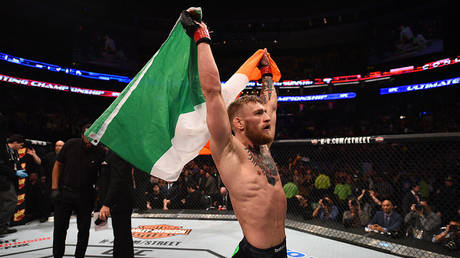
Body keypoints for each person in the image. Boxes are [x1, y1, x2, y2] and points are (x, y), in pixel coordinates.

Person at [180, 8, 287, 257]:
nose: (267, 117)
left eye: (265, 113)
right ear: (238, 123)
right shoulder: (227, 149)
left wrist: (267, 72)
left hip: (279, 249)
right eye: (258, 114)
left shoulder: (263, 147)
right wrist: (201, 36)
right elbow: (212, 92)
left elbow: (271, 103)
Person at [51, 124, 105, 258]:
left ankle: (79, 256)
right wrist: (54, 188)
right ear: (82, 135)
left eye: (94, 135)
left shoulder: (100, 151)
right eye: (88, 134)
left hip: (86, 194)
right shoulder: (70, 144)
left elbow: (102, 175)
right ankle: (57, 255)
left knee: (84, 229)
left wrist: (100, 198)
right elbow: (58, 165)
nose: (91, 138)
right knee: (60, 228)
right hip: (65, 192)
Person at [98, 151, 135, 258]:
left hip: (121, 200)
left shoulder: (118, 153)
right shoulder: (110, 152)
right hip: (116, 200)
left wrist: (106, 204)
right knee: (120, 235)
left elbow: (117, 180)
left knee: (122, 235)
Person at [0, 133, 27, 236]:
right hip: (3, 181)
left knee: (4, 204)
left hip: (9, 180)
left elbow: (14, 165)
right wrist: (15, 173)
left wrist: (19, 172)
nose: (21, 147)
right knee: (12, 201)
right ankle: (1, 226)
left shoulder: (14, 152)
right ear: (15, 142)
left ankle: (4, 227)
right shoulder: (3, 149)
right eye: (20, 145)